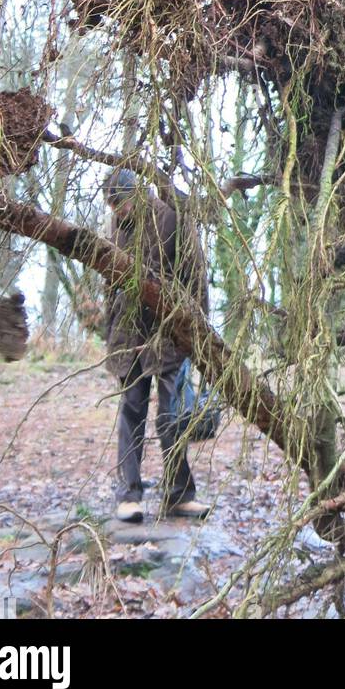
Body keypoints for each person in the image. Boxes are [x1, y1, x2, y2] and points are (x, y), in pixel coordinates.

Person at [102, 168, 211, 522]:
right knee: (131, 411)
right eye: (111, 203)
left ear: (138, 194)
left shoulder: (173, 219)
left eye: (120, 201)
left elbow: (196, 278)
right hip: (128, 336)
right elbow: (109, 285)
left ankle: (179, 494)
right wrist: (112, 333)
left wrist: (196, 336)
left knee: (171, 417)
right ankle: (129, 496)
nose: (117, 210)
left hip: (169, 335)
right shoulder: (115, 228)